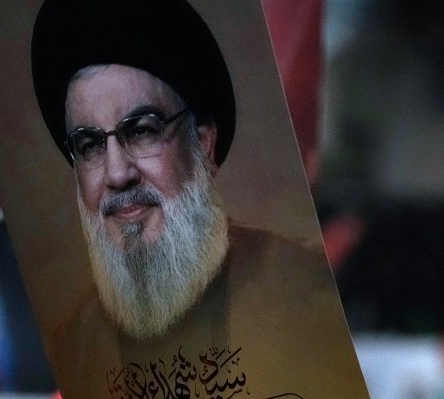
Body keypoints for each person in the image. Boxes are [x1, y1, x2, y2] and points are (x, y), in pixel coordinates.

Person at [30, 0, 329, 343]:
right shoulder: (77, 347)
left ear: (203, 144)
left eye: (141, 130)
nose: (116, 174)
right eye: (89, 146)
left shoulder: (306, 294)